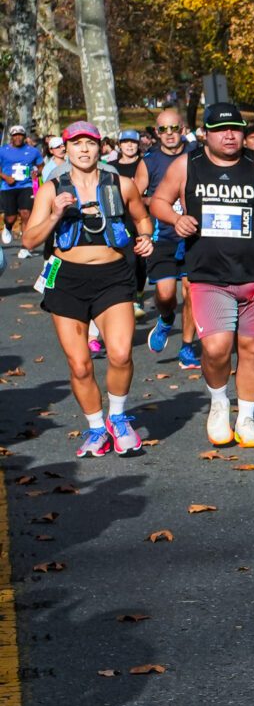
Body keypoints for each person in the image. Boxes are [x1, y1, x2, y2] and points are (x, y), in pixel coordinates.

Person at [147, 102, 254, 448]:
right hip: (209, 275)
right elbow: (158, 201)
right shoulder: (186, 165)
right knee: (217, 348)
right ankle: (220, 402)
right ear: (206, 134)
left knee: (251, 348)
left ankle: (247, 418)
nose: (230, 135)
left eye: (235, 128)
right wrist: (175, 219)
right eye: (221, 130)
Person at [26, 120, 156, 456]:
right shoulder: (51, 189)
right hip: (67, 279)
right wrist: (55, 214)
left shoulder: (122, 184)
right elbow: (29, 238)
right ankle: (96, 427)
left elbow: (143, 218)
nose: (84, 150)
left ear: (101, 148)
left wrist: (145, 238)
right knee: (80, 364)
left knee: (121, 353)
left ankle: (118, 417)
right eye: (76, 144)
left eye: (90, 143)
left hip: (113, 276)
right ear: (65, 150)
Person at [138, 110, 198, 366]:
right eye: (163, 130)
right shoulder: (149, 161)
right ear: (156, 132)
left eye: (174, 128)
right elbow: (135, 198)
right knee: (165, 295)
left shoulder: (197, 155)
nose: (170, 134)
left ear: (183, 129)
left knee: (191, 291)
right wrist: (158, 201)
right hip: (162, 236)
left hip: (194, 235)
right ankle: (165, 320)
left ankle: (187, 346)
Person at [0, 125, 40, 259]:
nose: (18, 137)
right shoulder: (3, 151)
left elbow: (40, 166)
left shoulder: (33, 151)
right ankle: (8, 227)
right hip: (8, 187)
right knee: (11, 216)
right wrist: (6, 177)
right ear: (11, 137)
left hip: (26, 185)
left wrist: (36, 172)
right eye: (15, 135)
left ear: (24, 137)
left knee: (26, 214)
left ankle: (25, 247)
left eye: (20, 135)